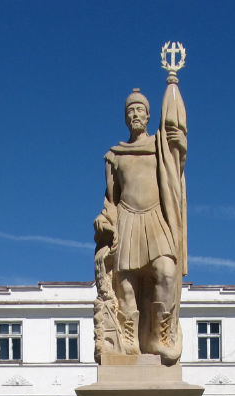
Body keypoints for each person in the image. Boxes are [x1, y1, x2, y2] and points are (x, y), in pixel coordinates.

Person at [93, 74, 187, 365]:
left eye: (140, 110)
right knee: (127, 286)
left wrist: (173, 89)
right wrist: (103, 218)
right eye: (130, 111)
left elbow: (176, 157)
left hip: (156, 218)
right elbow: (111, 199)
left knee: (166, 273)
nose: (135, 115)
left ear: (148, 115)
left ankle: (161, 335)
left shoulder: (160, 148)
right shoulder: (114, 156)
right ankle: (129, 337)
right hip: (128, 222)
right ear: (125, 117)